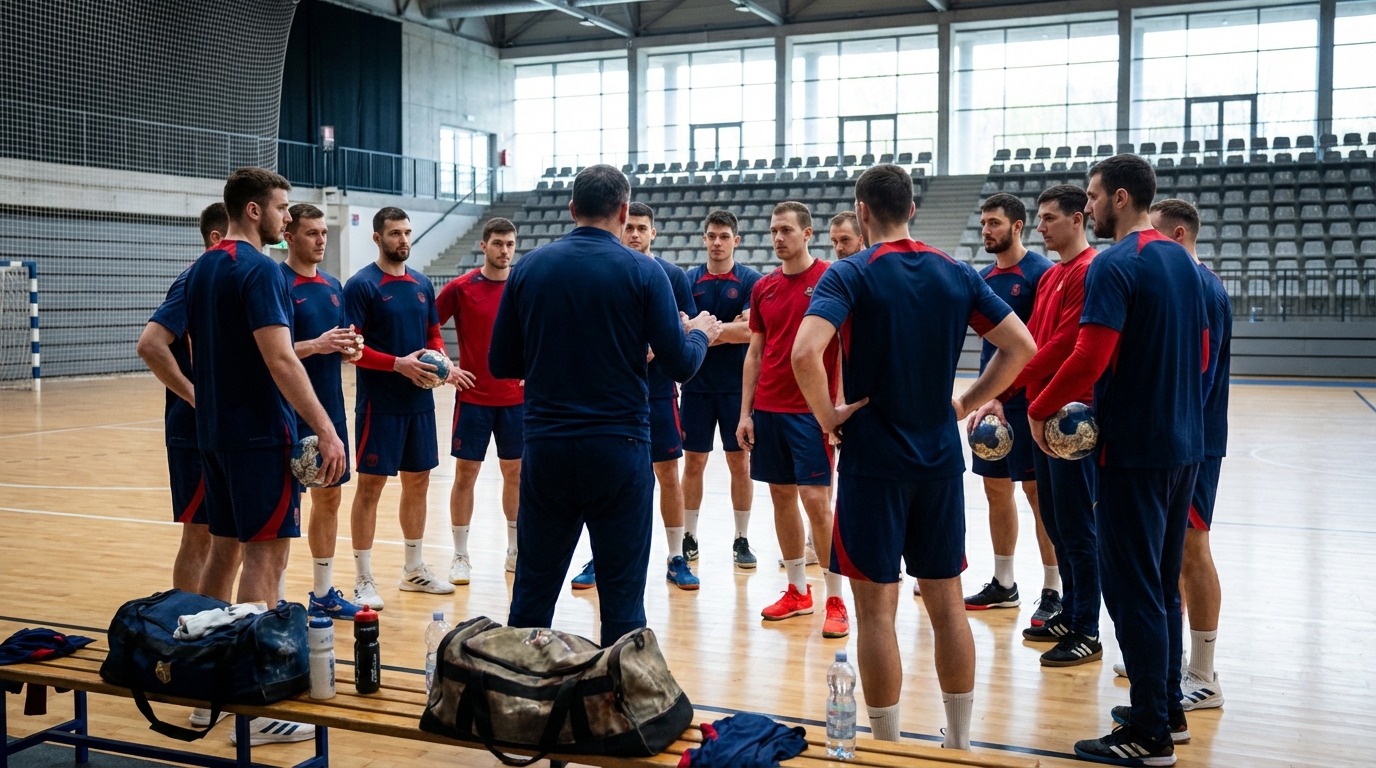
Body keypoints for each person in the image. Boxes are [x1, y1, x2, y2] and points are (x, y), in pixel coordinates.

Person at [793, 164, 1035, 750]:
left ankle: (887, 745)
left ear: (862, 212)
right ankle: (959, 745)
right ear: (912, 210)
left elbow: (805, 353)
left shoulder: (851, 272)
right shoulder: (955, 271)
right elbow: (1021, 346)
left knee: (876, 612)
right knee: (947, 601)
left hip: (874, 462)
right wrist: (966, 404)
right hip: (938, 463)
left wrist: (828, 418)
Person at [1027, 155, 1211, 766]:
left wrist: (1039, 408)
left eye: (1095, 195)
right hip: (1184, 446)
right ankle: (1165, 710)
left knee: (1133, 592)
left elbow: (1087, 358)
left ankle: (1150, 737)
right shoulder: (1186, 265)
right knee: (1161, 586)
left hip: (1134, 451)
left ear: (1120, 198)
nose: (1091, 205)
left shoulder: (1116, 263)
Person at [490, 164, 719, 648]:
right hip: (619, 450)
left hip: (547, 447)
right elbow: (680, 365)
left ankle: (515, 707)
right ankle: (617, 708)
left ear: (572, 209)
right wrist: (699, 332)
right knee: (622, 601)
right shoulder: (645, 271)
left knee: (531, 595)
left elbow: (501, 361)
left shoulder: (528, 267)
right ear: (622, 211)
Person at [183, 167, 345, 747]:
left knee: (222, 557)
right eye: (280, 207)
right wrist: (325, 428)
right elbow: (281, 359)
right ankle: (256, 709)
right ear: (255, 210)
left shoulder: (203, 267)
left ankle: (204, 693)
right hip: (258, 438)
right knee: (266, 562)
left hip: (215, 436)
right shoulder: (260, 270)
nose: (285, 216)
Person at [994, 185, 1105, 668]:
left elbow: (1062, 345)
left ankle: (1087, 630)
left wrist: (1016, 390)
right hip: (1042, 410)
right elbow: (1033, 340)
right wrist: (1006, 396)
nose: (1040, 226)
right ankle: (1072, 613)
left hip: (1070, 420)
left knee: (1078, 527)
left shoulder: (1089, 270)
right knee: (1058, 523)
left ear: (1078, 219)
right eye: (1038, 218)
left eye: (1049, 218)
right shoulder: (1056, 273)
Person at [344, 206, 474, 609]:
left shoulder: (420, 283)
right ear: (377, 238)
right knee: (370, 487)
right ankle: (363, 577)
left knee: (418, 482)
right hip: (379, 405)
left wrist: (443, 366)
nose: (403, 240)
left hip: (419, 404)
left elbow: (434, 334)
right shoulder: (361, 285)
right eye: (395, 233)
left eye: (407, 232)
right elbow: (352, 349)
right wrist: (397, 364)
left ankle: (413, 569)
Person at [568, 202, 702, 590]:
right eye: (632, 227)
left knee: (667, 474)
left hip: (658, 392)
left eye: (644, 228)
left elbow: (686, 324)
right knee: (610, 476)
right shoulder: (608, 268)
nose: (636, 234)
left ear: (653, 232)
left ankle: (676, 556)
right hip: (612, 394)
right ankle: (601, 554)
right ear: (622, 225)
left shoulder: (672, 275)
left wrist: (658, 345)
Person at [1130, 198, 1229, 712]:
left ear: (1181, 233)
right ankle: (1165, 656)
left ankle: (1204, 674)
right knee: (1171, 550)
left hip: (1193, 440)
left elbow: (1200, 377)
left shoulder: (1202, 287)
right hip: (1183, 436)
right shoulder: (1185, 282)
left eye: (1158, 237)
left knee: (1192, 550)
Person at [737, 201, 849, 638]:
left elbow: (845, 344)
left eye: (786, 230)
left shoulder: (829, 278)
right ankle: (798, 590)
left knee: (818, 502)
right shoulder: (763, 287)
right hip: (768, 410)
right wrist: (745, 413)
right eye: (773, 230)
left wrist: (836, 405)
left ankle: (836, 598)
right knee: (782, 498)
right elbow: (755, 353)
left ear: (807, 234)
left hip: (811, 413)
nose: (778, 237)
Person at [960, 193, 1059, 625]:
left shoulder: (1043, 274)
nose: (986, 230)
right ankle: (1004, 583)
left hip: (1030, 403)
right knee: (995, 491)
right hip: (992, 407)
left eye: (995, 223)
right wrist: (985, 396)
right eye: (983, 223)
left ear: (1018, 227)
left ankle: (1053, 589)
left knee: (1039, 497)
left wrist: (1007, 393)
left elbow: (1043, 346)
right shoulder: (981, 279)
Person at [137, 203, 233, 594]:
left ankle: (213, 625)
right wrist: (197, 396)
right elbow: (150, 344)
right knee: (200, 535)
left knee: (228, 534)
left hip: (226, 430)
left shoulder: (230, 280)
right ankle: (184, 627)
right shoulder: (192, 280)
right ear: (216, 238)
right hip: (193, 433)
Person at [280, 203, 365, 620]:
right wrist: (315, 344)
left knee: (329, 499)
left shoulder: (333, 284)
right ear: (289, 236)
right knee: (281, 507)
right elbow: (267, 353)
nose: (320, 240)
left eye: (323, 233)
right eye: (311, 233)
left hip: (331, 410)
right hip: (285, 412)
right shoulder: (276, 281)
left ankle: (322, 591)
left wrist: (352, 348)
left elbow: (342, 341)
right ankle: (274, 599)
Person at [435, 218, 524, 583]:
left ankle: (515, 548)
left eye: (510, 244)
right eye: (498, 243)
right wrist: (446, 366)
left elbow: (540, 329)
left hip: (516, 400)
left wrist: (532, 366)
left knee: (515, 474)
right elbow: (429, 327)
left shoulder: (523, 285)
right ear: (484, 246)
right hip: (472, 398)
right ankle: (460, 554)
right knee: (465, 474)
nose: (505, 250)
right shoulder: (460, 287)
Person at [680, 210, 761, 568]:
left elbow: (749, 332)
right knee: (694, 462)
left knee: (739, 464)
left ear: (736, 241)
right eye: (711, 235)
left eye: (724, 236)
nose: (717, 242)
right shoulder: (687, 280)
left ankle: (741, 539)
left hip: (737, 388)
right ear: (703, 239)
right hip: (696, 386)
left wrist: (705, 330)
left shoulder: (751, 281)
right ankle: (689, 534)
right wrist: (725, 328)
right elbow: (680, 330)